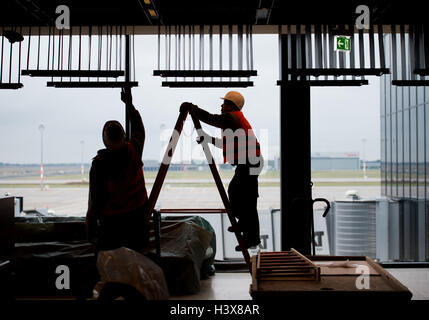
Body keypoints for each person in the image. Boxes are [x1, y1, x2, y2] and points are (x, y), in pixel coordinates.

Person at [180, 91, 264, 251]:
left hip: (250, 162)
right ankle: (244, 225)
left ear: (231, 105)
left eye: (224, 102)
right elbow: (227, 144)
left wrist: (193, 108)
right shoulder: (234, 122)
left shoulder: (231, 117)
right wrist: (209, 140)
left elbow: (212, 118)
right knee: (235, 192)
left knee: (247, 201)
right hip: (248, 163)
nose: (221, 105)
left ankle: (251, 238)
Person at [86, 88, 149, 253]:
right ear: (123, 137)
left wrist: (90, 230)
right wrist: (129, 104)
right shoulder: (134, 150)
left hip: (112, 225)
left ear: (105, 141)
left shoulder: (99, 164)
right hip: (137, 220)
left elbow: (95, 201)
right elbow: (139, 129)